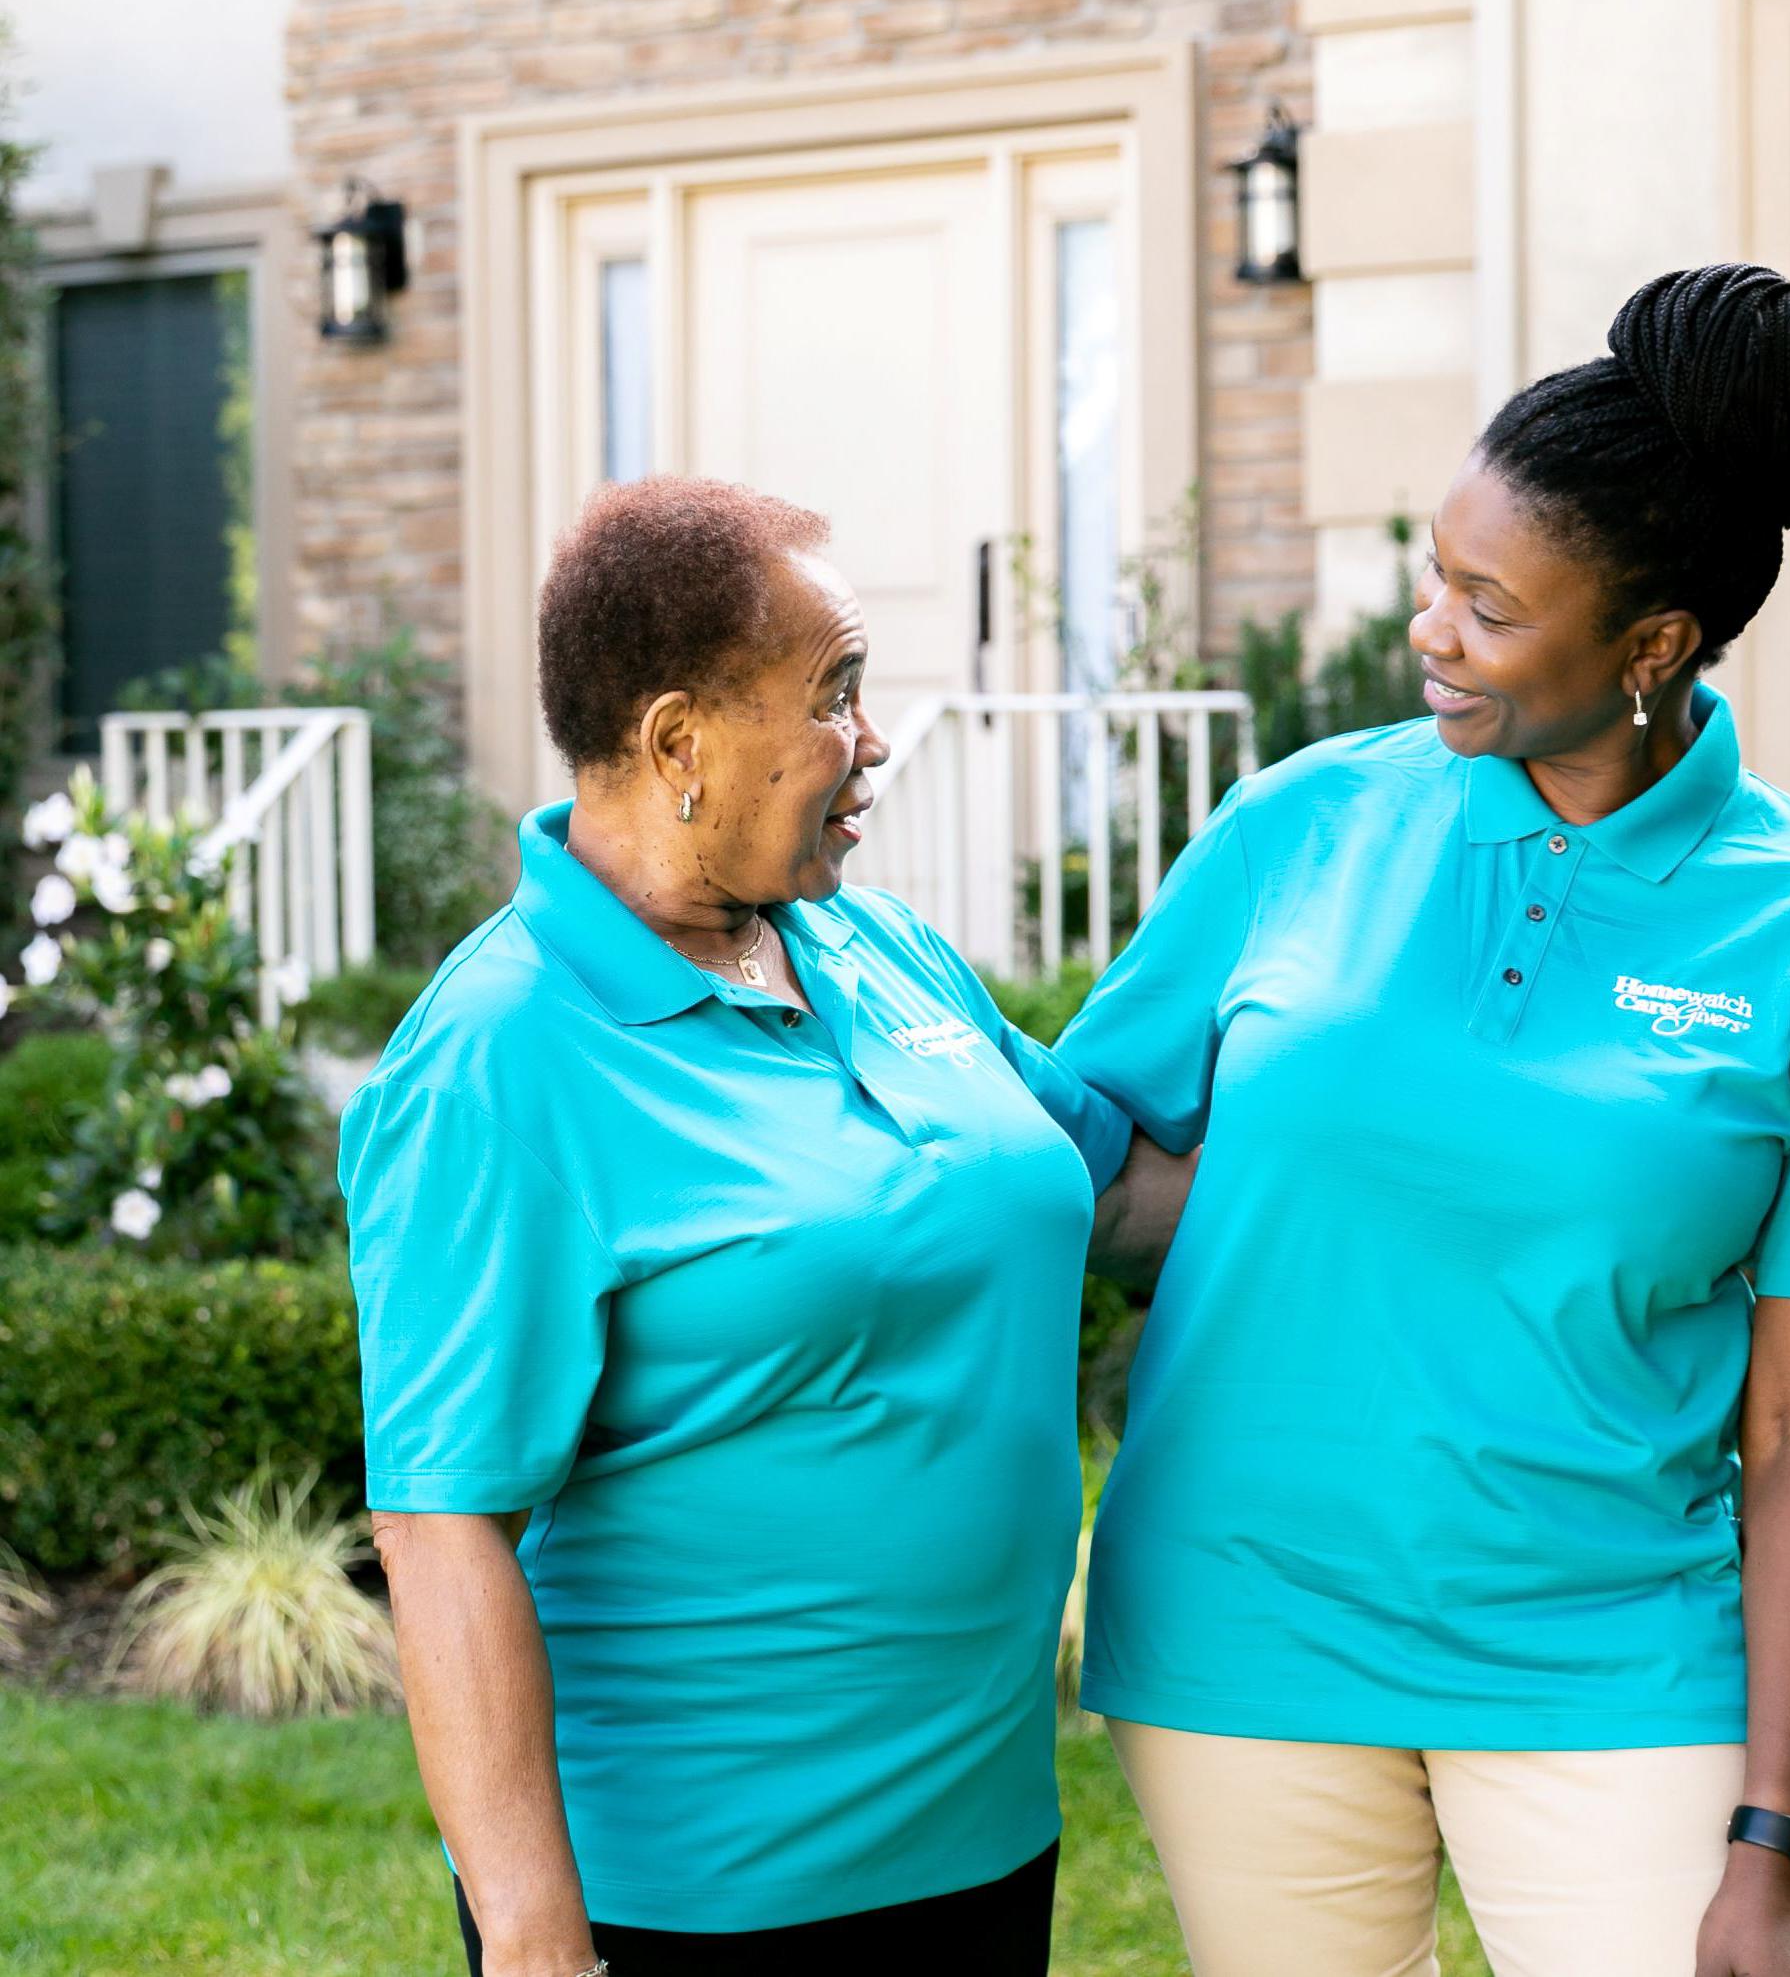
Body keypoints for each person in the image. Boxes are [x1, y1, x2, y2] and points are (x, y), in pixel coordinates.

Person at [1057, 265, 1790, 1977]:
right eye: (1434, 571)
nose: (1429, 629)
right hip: (1241, 1626)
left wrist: (1773, 1845)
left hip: (1609, 1652)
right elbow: (1077, 1158)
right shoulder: (1300, 822)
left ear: (1649, 645)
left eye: (1487, 604)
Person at [342, 476, 1179, 1977]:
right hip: (691, 1888)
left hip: (977, 1831)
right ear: (678, 741)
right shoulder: (503, 1048)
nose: (869, 743)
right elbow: (437, 1516)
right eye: (833, 696)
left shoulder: (872, 942)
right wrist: (538, 1943)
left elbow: (1110, 1192)